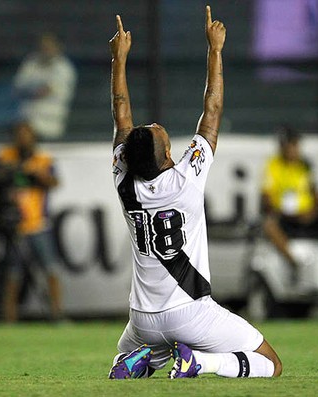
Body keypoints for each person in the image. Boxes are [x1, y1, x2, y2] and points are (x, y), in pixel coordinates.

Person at [108, 7, 282, 380]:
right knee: (271, 363)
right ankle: (199, 362)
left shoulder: (124, 181)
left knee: (128, 358)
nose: (155, 124)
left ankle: (144, 359)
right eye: (159, 131)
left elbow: (120, 113)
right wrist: (215, 50)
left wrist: (118, 58)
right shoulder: (187, 178)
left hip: (142, 318)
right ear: (168, 153)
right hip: (191, 311)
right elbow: (212, 110)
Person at [0, 122, 63, 322]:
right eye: (19, 135)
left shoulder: (42, 159)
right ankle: (9, 319)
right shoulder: (6, 157)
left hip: (39, 224)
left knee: (51, 270)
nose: (23, 139)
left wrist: (35, 175)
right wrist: (8, 173)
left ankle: (57, 315)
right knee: (12, 274)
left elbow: (54, 182)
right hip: (15, 226)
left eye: (26, 135)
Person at [260, 126, 318, 280]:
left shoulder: (305, 166)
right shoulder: (273, 166)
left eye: (296, 145)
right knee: (269, 226)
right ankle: (294, 263)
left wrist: (313, 212)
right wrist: (283, 212)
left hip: (307, 215)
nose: (295, 150)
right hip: (285, 216)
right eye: (292, 145)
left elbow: (316, 193)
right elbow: (267, 196)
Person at [14, 33, 77, 140]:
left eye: (49, 46)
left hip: (49, 124)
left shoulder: (64, 68)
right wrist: (35, 91)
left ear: (58, 47)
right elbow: (18, 86)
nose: (46, 50)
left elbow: (47, 91)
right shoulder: (31, 63)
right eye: (43, 46)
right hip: (26, 121)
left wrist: (32, 90)